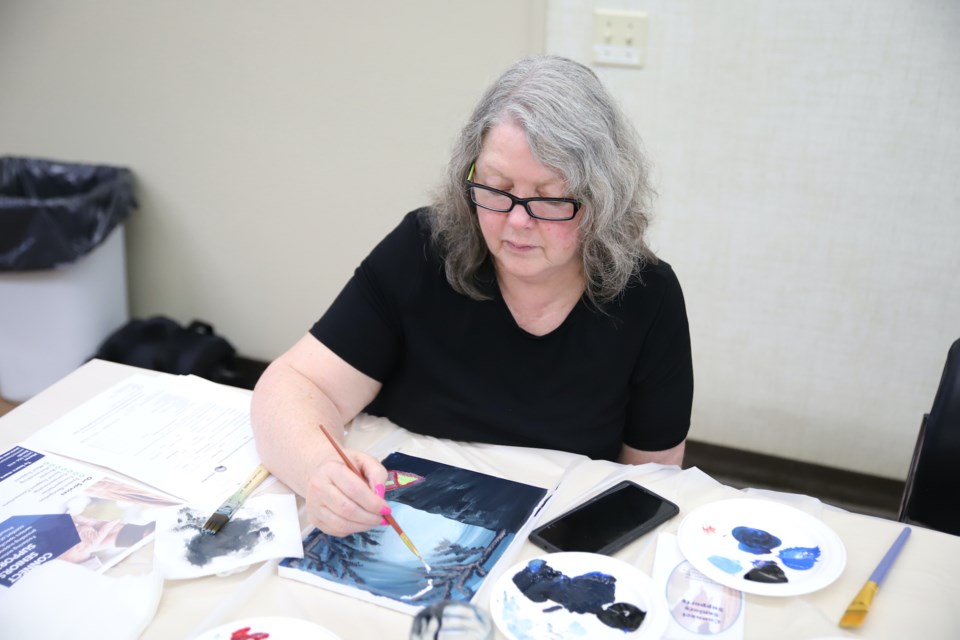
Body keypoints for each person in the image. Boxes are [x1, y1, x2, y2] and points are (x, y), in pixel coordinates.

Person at [250, 55, 693, 538]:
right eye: (497, 189)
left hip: (551, 544)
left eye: (548, 198)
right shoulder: (423, 248)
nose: (518, 222)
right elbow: (293, 384)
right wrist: (319, 470)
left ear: (601, 199)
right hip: (400, 525)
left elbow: (652, 479)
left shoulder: (648, 296)